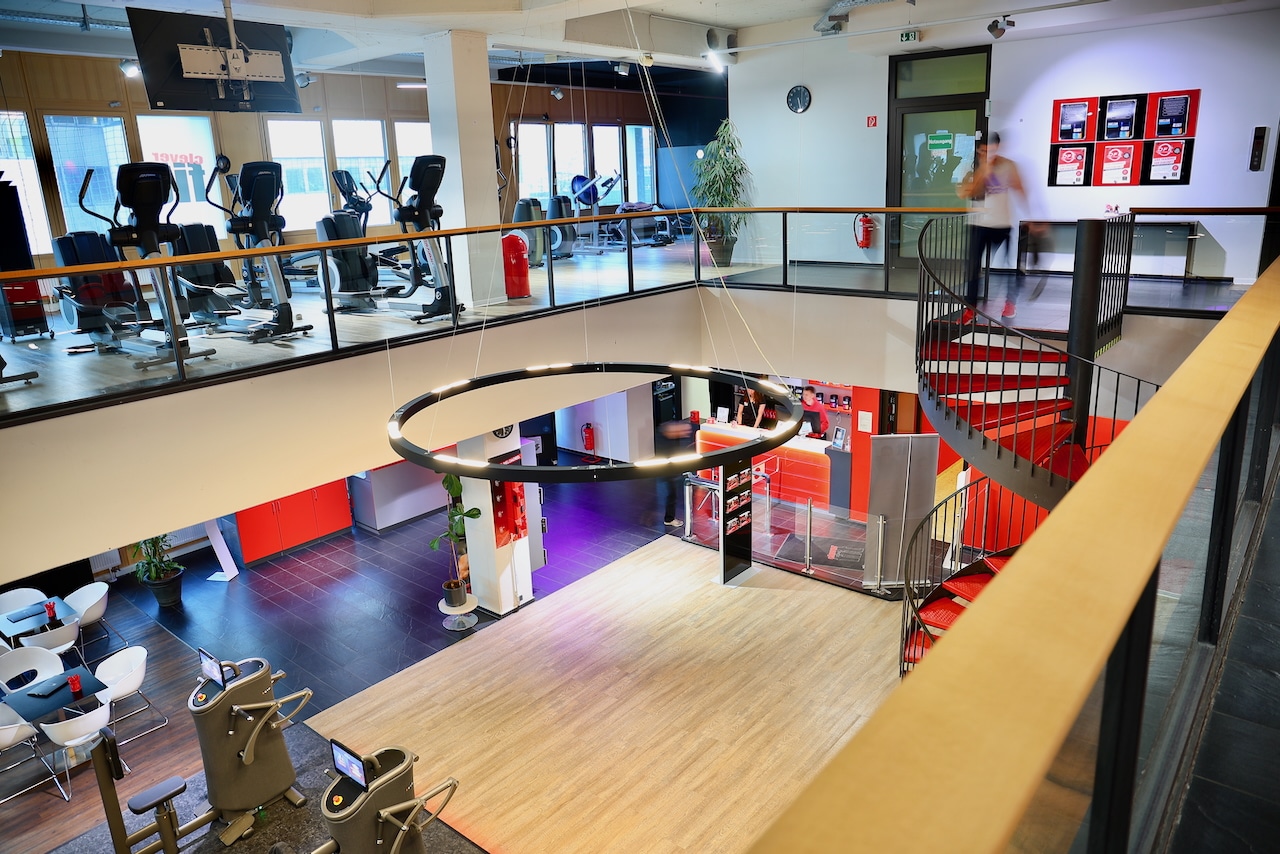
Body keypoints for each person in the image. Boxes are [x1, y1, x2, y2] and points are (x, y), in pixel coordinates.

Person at [957, 131, 1033, 323]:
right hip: (978, 223)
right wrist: (984, 169)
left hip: (1002, 223)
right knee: (972, 267)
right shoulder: (969, 167)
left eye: (992, 150)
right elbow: (966, 193)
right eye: (984, 150)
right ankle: (971, 308)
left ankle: (1010, 303)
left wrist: (1031, 216)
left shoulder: (1008, 165)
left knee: (1011, 266)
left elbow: (1020, 188)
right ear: (979, 150)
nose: (989, 154)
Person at [655, 418, 694, 528]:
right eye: (684, 431)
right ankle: (669, 519)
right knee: (671, 495)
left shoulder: (670, 439)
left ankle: (669, 518)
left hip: (670, 472)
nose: (686, 433)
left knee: (672, 494)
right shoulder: (665, 443)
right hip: (667, 472)